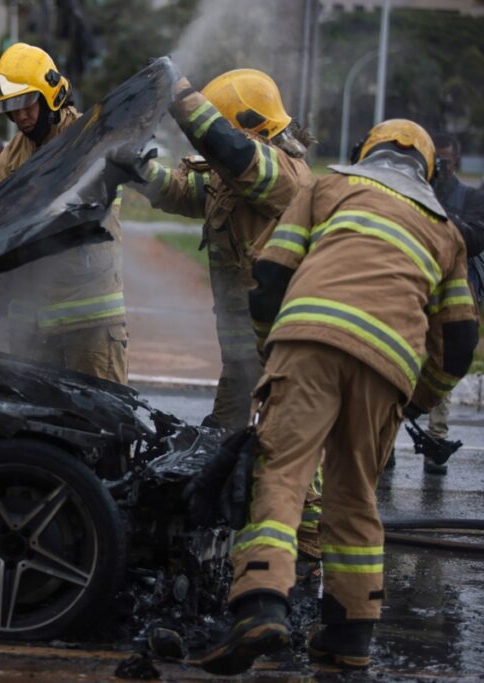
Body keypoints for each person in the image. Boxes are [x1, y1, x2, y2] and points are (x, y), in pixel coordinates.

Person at [198, 119, 478, 675]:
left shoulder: (324, 188)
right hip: (389, 367)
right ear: (429, 172)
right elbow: (461, 342)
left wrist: (269, 352)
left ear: (362, 153)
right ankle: (349, 635)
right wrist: (418, 401)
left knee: (282, 473)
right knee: (354, 499)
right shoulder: (447, 233)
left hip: (309, 343)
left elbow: (271, 273)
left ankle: (260, 605)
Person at [132, 67, 322, 561]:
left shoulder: (282, 174)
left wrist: (177, 92)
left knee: (288, 448)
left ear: (250, 127)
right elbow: (180, 192)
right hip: (242, 355)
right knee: (224, 442)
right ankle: (234, 543)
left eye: (224, 127)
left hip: (279, 346)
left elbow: (230, 149)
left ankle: (307, 552)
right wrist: (134, 167)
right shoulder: (229, 179)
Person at [0, 42, 128, 383]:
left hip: (88, 314)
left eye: (25, 103)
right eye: (9, 108)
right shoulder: (9, 159)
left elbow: (89, 209)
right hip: (29, 318)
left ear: (50, 95)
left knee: (100, 421)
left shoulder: (90, 139)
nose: (19, 116)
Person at [422, 132, 484, 474]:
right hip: (418, 291)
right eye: (436, 159)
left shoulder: (469, 197)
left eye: (446, 159)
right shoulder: (419, 191)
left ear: (456, 161)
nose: (441, 166)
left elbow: (474, 238)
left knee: (443, 364)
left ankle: (436, 438)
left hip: (454, 297)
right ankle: (388, 443)